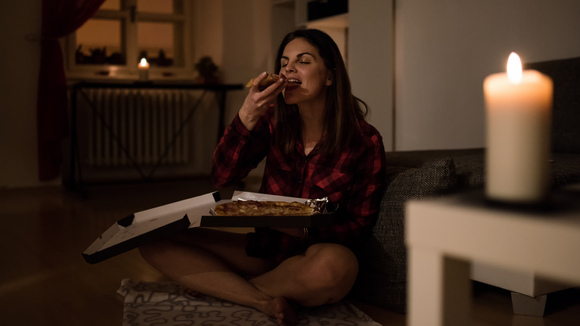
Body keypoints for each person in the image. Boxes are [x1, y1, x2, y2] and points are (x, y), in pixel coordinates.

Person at [139, 29, 386, 326]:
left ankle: (228, 290)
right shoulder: (274, 123)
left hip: (315, 255)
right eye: (284, 62)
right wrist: (247, 113)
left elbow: (359, 226)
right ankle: (261, 299)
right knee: (152, 240)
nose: (288, 69)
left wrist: (300, 230)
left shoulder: (364, 140)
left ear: (331, 76)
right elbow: (222, 176)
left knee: (338, 266)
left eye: (303, 61)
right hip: (266, 251)